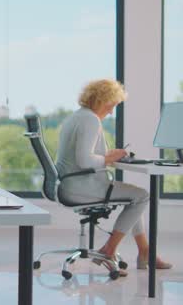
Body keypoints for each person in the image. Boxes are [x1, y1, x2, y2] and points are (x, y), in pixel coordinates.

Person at [56, 79, 172, 275]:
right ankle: (110, 249)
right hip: (82, 187)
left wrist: (108, 156)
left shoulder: (77, 117)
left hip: (70, 185)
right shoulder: (90, 120)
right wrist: (109, 158)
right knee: (141, 196)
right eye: (112, 106)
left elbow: (84, 156)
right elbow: (85, 161)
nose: (111, 112)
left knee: (133, 196)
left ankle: (145, 251)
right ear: (102, 100)